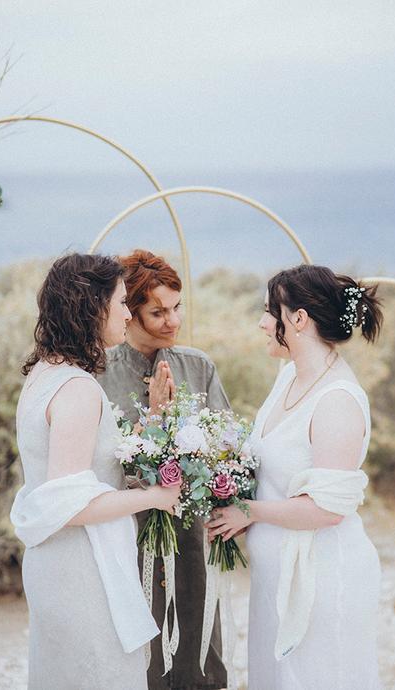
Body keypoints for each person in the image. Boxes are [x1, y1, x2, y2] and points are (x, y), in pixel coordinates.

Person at [206, 264, 383, 690]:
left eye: (271, 311)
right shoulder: (289, 376)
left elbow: (327, 509)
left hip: (321, 581)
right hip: (276, 578)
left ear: (298, 319)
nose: (263, 323)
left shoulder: (337, 401)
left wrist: (245, 511)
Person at [10, 253, 181, 690]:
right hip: (82, 567)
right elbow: (71, 502)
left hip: (58, 560)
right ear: (93, 308)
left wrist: (152, 421)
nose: (128, 314)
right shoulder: (78, 389)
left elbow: (87, 465)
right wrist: (157, 497)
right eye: (122, 303)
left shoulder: (46, 375)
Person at [98, 249, 229, 690]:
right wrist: (149, 425)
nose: (172, 321)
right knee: (139, 657)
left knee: (198, 650)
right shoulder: (98, 373)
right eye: (158, 312)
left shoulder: (199, 366)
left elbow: (225, 448)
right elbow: (100, 465)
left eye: (176, 308)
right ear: (128, 313)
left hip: (190, 538)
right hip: (126, 539)